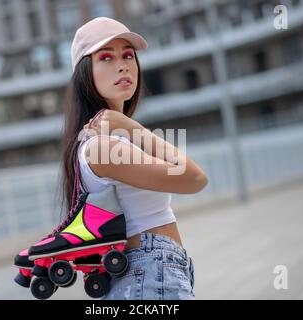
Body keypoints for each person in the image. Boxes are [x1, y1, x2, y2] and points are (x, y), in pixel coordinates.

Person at [58, 16, 209, 300]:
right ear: (84, 73)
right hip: (150, 274)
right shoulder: (101, 147)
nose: (123, 64)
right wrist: (128, 126)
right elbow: (195, 178)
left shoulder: (110, 139)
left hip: (154, 272)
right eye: (106, 57)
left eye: (128, 55)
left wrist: (125, 127)